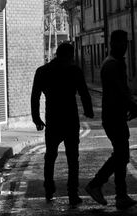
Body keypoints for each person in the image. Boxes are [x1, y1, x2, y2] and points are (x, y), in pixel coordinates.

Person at [31, 42, 94, 207]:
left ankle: (49, 189)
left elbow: (35, 97)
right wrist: (88, 111)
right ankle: (73, 194)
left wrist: (36, 118)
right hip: (70, 120)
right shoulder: (74, 71)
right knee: (73, 159)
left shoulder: (42, 71)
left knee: (50, 156)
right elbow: (84, 93)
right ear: (69, 55)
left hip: (53, 120)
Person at [85, 30, 137, 210]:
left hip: (115, 116)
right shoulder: (113, 65)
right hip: (113, 117)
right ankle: (96, 184)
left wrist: (131, 105)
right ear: (113, 43)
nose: (124, 47)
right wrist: (133, 106)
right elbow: (121, 91)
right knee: (121, 155)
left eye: (126, 43)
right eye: (121, 43)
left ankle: (121, 196)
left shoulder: (113, 62)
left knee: (122, 156)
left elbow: (123, 91)